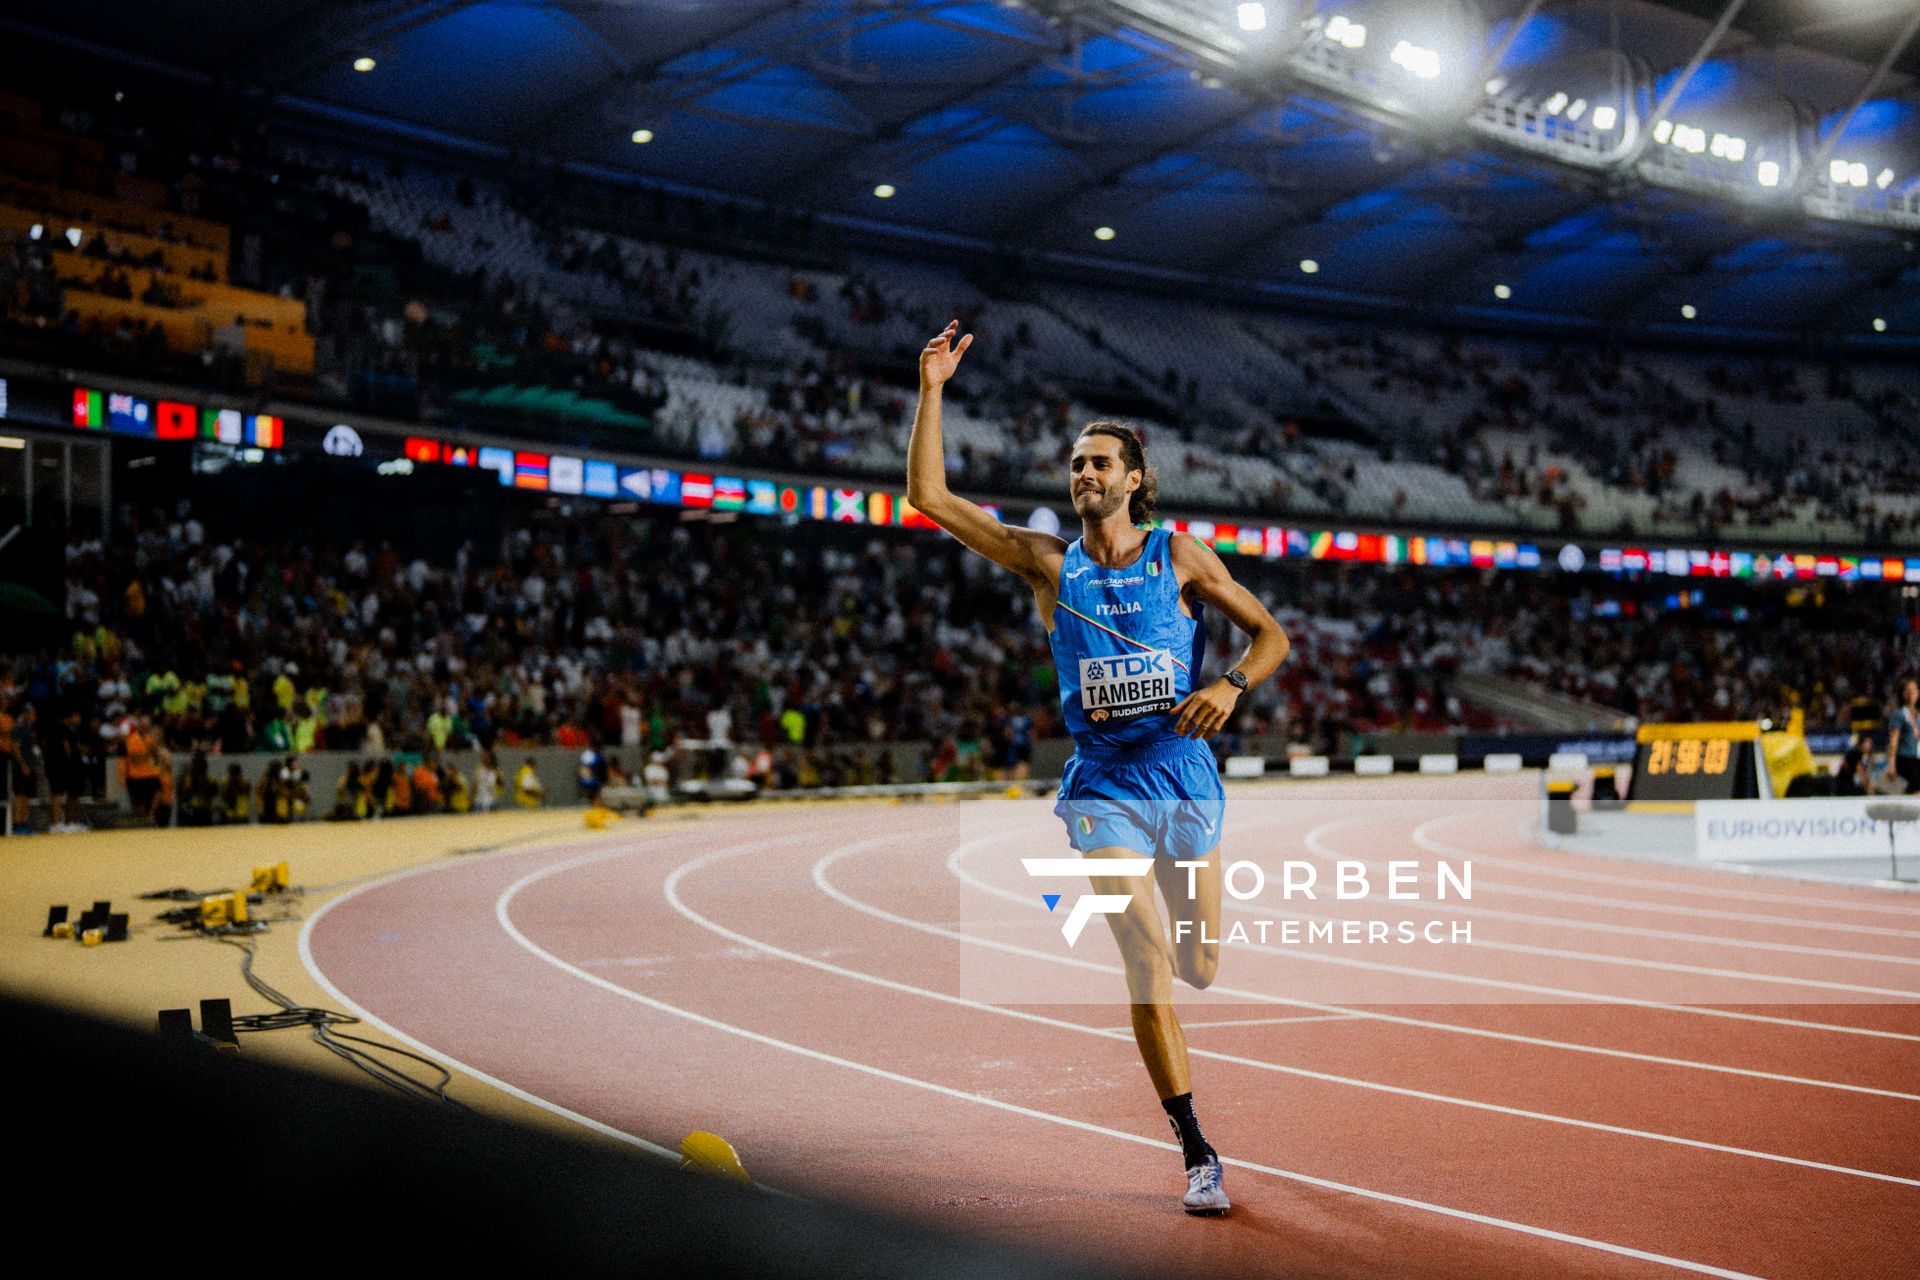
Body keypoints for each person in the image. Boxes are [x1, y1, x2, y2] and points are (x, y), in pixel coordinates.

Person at [908, 320, 1290, 1216]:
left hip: (1184, 778)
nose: (1085, 475)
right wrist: (932, 388)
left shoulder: (1180, 556)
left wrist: (1230, 686)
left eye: (1101, 464)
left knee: (1200, 964)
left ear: (1134, 480)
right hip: (1105, 788)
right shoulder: (1047, 565)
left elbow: (1272, 636)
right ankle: (1198, 1150)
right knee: (1147, 961)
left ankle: (1191, 1036)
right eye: (1076, 464)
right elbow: (930, 496)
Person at [1884, 678, 1920, 794]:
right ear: (1904, 694)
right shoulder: (1899, 714)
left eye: (1915, 689)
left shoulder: (1918, 714)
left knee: (1912, 792)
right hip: (1904, 759)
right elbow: (1893, 741)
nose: (1914, 693)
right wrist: (1891, 764)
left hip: (1916, 757)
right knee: (1913, 791)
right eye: (1910, 690)